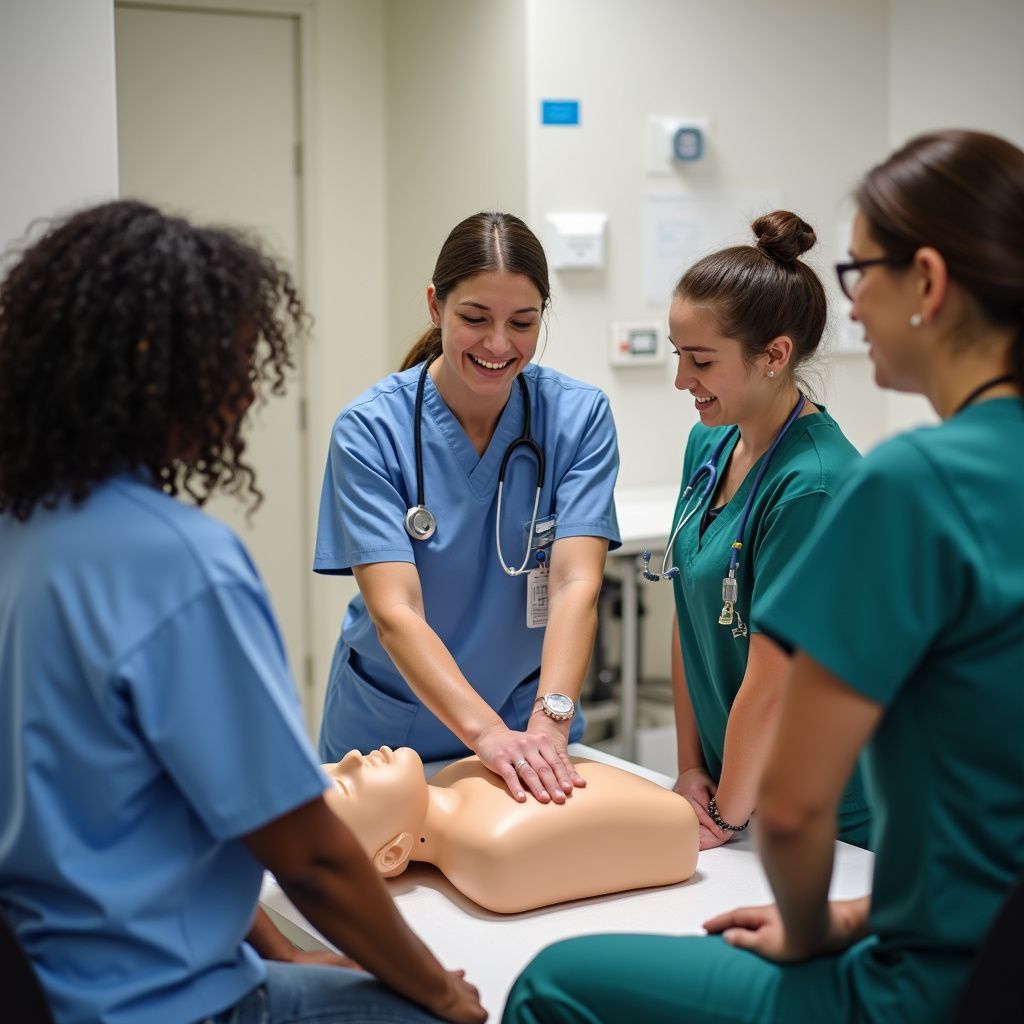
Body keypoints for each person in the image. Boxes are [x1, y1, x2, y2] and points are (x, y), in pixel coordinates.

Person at [501, 128, 1024, 1023]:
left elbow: (790, 807)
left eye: (861, 276)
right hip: (974, 939)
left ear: (928, 283)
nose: (850, 311)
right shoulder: (924, 478)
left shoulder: (899, 482)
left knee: (551, 982)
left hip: (929, 983)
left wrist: (816, 922)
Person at [0, 200, 485, 1024]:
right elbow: (308, 853)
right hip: (170, 1003)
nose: (244, 389)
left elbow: (179, 806)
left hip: (43, 985)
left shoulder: (22, 531)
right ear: (166, 371)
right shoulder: (178, 563)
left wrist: (284, 951)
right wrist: (440, 992)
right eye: (232, 362)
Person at [314, 212, 620, 805]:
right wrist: (486, 736)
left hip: (532, 722)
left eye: (522, 323)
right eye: (475, 319)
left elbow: (575, 583)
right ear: (436, 306)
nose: (499, 344)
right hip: (393, 736)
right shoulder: (371, 431)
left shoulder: (578, 419)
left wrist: (550, 722)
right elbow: (395, 610)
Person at [641, 210, 871, 850]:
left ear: (775, 355)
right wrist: (691, 769)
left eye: (702, 360)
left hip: (816, 821)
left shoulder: (815, 485)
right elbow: (689, 612)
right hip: (728, 791)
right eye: (678, 355)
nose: (682, 379)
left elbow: (775, 683)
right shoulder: (708, 445)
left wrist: (728, 817)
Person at [320, 746, 697, 914]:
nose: (352, 758)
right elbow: (676, 821)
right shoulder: (492, 847)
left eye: (335, 765)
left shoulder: (456, 775)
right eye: (344, 784)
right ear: (392, 854)